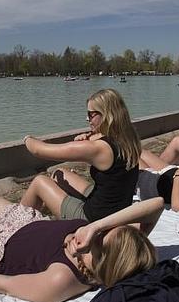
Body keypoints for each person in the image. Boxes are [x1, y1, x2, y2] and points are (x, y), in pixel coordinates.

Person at [0, 185, 163, 302]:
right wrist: (96, 226)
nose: (94, 232)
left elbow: (5, 285)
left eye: (99, 238)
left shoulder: (62, 279)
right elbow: (157, 205)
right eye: (105, 228)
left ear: (105, 260)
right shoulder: (102, 237)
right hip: (22, 221)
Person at [20, 89, 141, 222]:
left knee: (40, 182)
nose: (86, 118)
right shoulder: (129, 139)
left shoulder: (98, 148)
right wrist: (89, 139)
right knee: (59, 173)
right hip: (119, 210)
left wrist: (27, 138)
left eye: (90, 114)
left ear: (106, 114)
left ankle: (14, 227)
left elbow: (39, 150)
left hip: (94, 220)